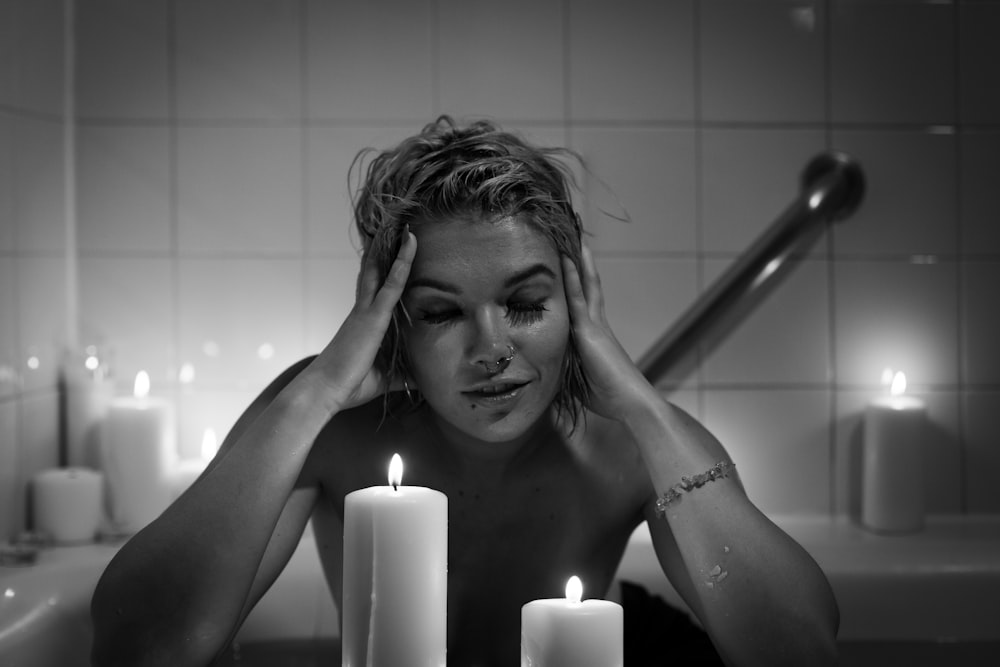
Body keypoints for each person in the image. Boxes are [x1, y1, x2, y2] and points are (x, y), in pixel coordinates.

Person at [90, 116, 839, 667]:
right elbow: (139, 646)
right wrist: (315, 389)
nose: (493, 350)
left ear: (575, 305)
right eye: (442, 312)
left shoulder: (629, 438)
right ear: (394, 326)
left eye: (525, 303)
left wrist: (639, 401)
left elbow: (803, 649)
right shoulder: (332, 429)